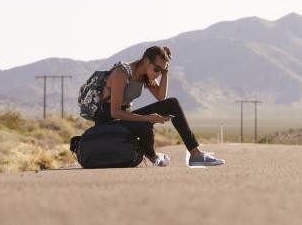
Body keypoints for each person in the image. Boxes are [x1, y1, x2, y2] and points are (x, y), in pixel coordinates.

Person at [94, 45, 225, 167]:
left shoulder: (145, 75)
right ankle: (153, 157)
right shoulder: (121, 73)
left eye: (161, 71)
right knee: (144, 125)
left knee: (172, 104)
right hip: (108, 121)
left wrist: (165, 73)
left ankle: (195, 155)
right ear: (146, 61)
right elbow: (115, 112)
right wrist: (148, 118)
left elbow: (161, 97)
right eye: (156, 69)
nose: (157, 74)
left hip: (124, 117)